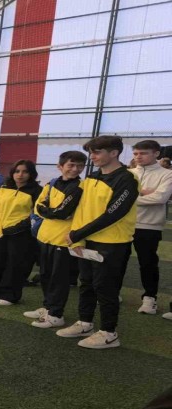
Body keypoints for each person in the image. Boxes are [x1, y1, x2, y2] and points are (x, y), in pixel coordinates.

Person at [57, 135, 139, 349]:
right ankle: (85, 323)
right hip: (87, 240)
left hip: (112, 243)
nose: (92, 156)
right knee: (86, 283)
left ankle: (109, 333)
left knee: (106, 288)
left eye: (97, 152)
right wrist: (78, 236)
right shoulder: (92, 177)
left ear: (114, 153)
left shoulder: (127, 179)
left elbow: (114, 214)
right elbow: (80, 208)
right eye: (91, 152)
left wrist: (78, 234)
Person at [24, 151, 86, 327]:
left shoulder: (80, 186)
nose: (75, 169)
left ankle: (56, 315)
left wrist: (49, 212)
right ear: (60, 166)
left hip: (63, 240)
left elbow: (63, 212)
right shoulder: (51, 183)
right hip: (45, 236)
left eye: (80, 166)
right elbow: (38, 205)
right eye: (71, 165)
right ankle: (48, 308)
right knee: (45, 275)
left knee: (59, 279)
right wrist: (51, 212)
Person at [0, 160, 42, 306]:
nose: (20, 175)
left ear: (31, 174)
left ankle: (9, 295)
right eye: (17, 171)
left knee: (14, 264)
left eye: (25, 171)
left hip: (21, 235)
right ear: (12, 173)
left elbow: (36, 214)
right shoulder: (4, 187)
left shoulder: (37, 191)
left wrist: (15, 228)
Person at [127, 140, 172, 317]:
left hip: (149, 226)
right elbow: (114, 197)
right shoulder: (128, 173)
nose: (138, 157)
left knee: (147, 263)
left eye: (143, 153)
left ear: (156, 154)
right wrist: (146, 193)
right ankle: (112, 292)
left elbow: (160, 198)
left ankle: (150, 298)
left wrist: (129, 198)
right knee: (118, 262)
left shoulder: (167, 174)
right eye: (136, 153)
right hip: (123, 225)